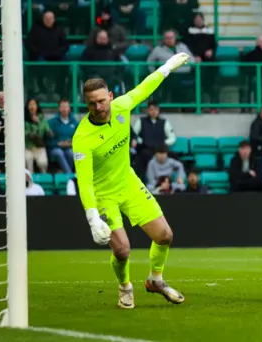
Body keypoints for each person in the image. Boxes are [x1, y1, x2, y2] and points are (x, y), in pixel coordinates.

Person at [71, 52, 190, 309]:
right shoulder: (82, 138)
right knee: (122, 250)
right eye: (92, 104)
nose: (99, 107)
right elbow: (85, 181)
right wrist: (92, 217)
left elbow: (144, 87)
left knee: (165, 235)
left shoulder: (123, 107)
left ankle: (155, 280)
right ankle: (125, 286)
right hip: (104, 195)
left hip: (129, 184)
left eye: (102, 101)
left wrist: (167, 66)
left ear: (111, 97)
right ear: (87, 104)